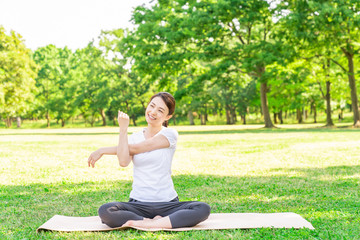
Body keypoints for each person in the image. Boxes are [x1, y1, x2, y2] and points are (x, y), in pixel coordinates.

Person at [88, 92, 210, 229]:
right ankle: (151, 221)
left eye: (160, 110)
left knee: (202, 208)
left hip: (168, 203)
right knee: (106, 210)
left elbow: (139, 148)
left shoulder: (170, 135)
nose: (153, 112)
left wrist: (103, 150)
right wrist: (123, 130)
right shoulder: (134, 137)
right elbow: (123, 162)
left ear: (168, 116)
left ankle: (149, 223)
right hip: (138, 203)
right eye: (152, 106)